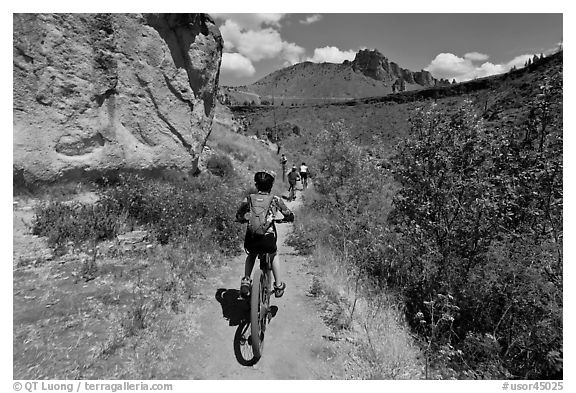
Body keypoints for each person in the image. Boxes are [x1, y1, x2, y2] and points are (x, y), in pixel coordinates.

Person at [235, 170, 294, 298]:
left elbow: (239, 214)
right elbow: (288, 213)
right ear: (271, 185)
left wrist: (241, 219)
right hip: (267, 239)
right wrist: (288, 218)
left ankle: (246, 280)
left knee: (251, 255)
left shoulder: (249, 198)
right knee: (273, 255)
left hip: (251, 238)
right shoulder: (275, 199)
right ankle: (278, 286)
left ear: (256, 185)